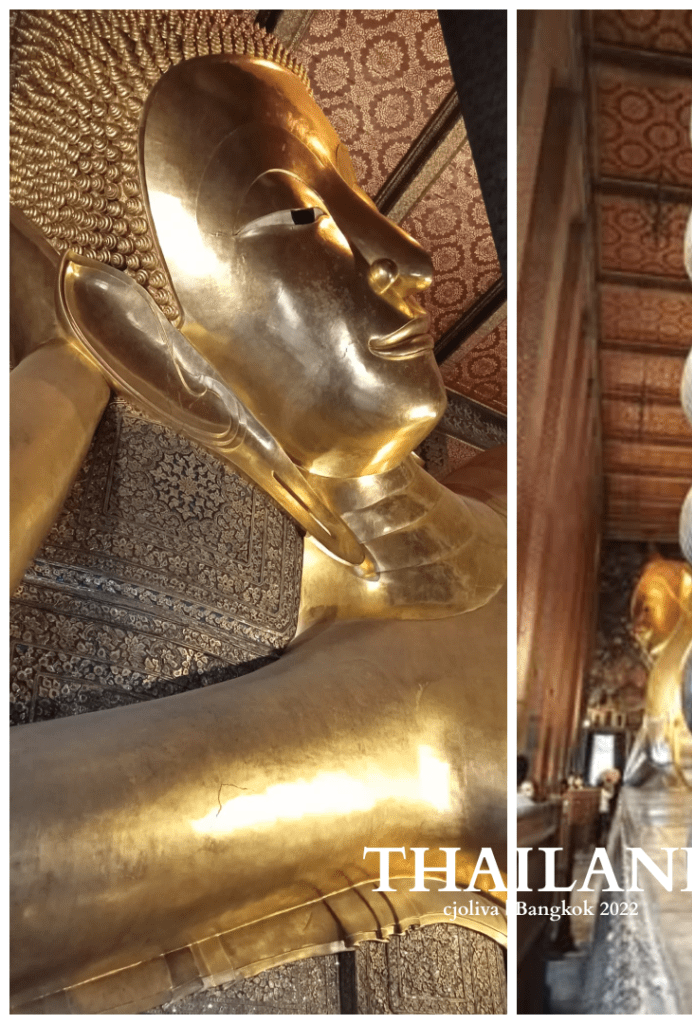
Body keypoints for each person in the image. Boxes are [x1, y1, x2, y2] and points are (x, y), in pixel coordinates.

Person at [10, 11, 506, 1014]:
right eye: (298, 217)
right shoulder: (83, 443)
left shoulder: (501, 543)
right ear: (132, 321)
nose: (405, 252)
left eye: (358, 199)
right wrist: (421, 748)